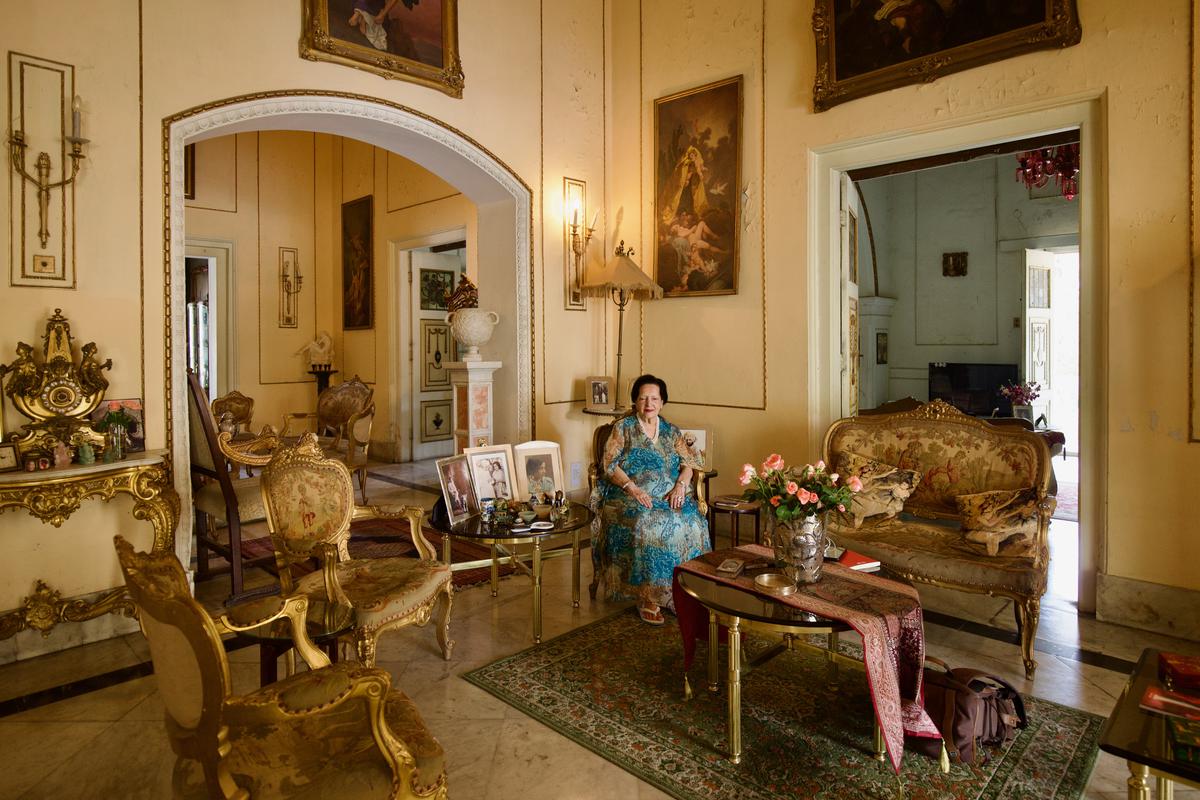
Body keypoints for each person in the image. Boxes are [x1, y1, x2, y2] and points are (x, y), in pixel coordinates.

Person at [592, 374, 710, 625]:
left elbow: (690, 462)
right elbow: (609, 465)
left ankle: (681, 592)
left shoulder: (670, 431)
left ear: (662, 402)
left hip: (668, 493)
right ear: (635, 401)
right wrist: (633, 489)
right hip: (629, 493)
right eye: (643, 398)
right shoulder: (622, 428)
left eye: (654, 398)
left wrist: (680, 486)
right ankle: (648, 596)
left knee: (692, 521)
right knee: (646, 523)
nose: (649, 403)